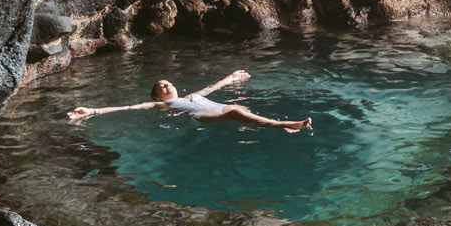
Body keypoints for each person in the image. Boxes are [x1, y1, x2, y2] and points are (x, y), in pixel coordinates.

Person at [68, 68, 311, 131]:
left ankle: (284, 128)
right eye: (160, 86)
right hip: (201, 116)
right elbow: (130, 107)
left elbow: (211, 87)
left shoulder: (191, 95)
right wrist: (93, 111)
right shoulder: (163, 104)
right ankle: (284, 125)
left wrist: (231, 78)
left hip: (217, 106)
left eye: (167, 82)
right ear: (156, 95)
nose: (166, 84)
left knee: (237, 108)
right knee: (236, 113)